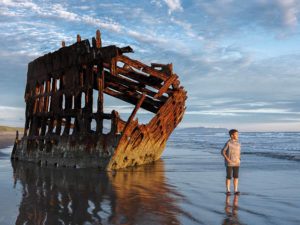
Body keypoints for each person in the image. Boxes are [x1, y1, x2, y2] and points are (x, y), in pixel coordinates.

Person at [222, 129, 241, 195]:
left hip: (237, 163)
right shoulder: (228, 143)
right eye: (236, 134)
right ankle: (228, 190)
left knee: (236, 177)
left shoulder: (238, 143)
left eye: (238, 134)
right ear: (232, 135)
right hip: (229, 163)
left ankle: (235, 190)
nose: (237, 135)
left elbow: (238, 152)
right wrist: (227, 159)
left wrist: (239, 159)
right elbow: (223, 152)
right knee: (229, 176)